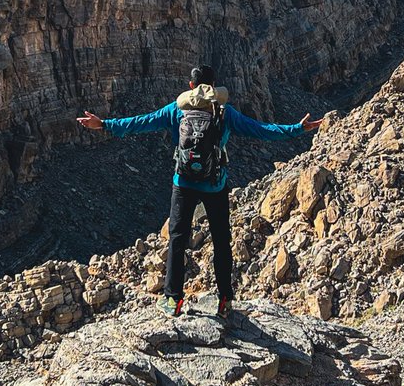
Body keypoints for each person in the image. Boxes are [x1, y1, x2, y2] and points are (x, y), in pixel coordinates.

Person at [77, 65, 323, 319]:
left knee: (177, 239)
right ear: (214, 87)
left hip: (183, 183)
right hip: (215, 184)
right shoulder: (224, 112)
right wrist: (296, 128)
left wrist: (104, 124)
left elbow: (140, 122)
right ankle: (225, 299)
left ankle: (173, 300)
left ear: (191, 86)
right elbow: (261, 130)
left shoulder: (177, 110)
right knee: (221, 242)